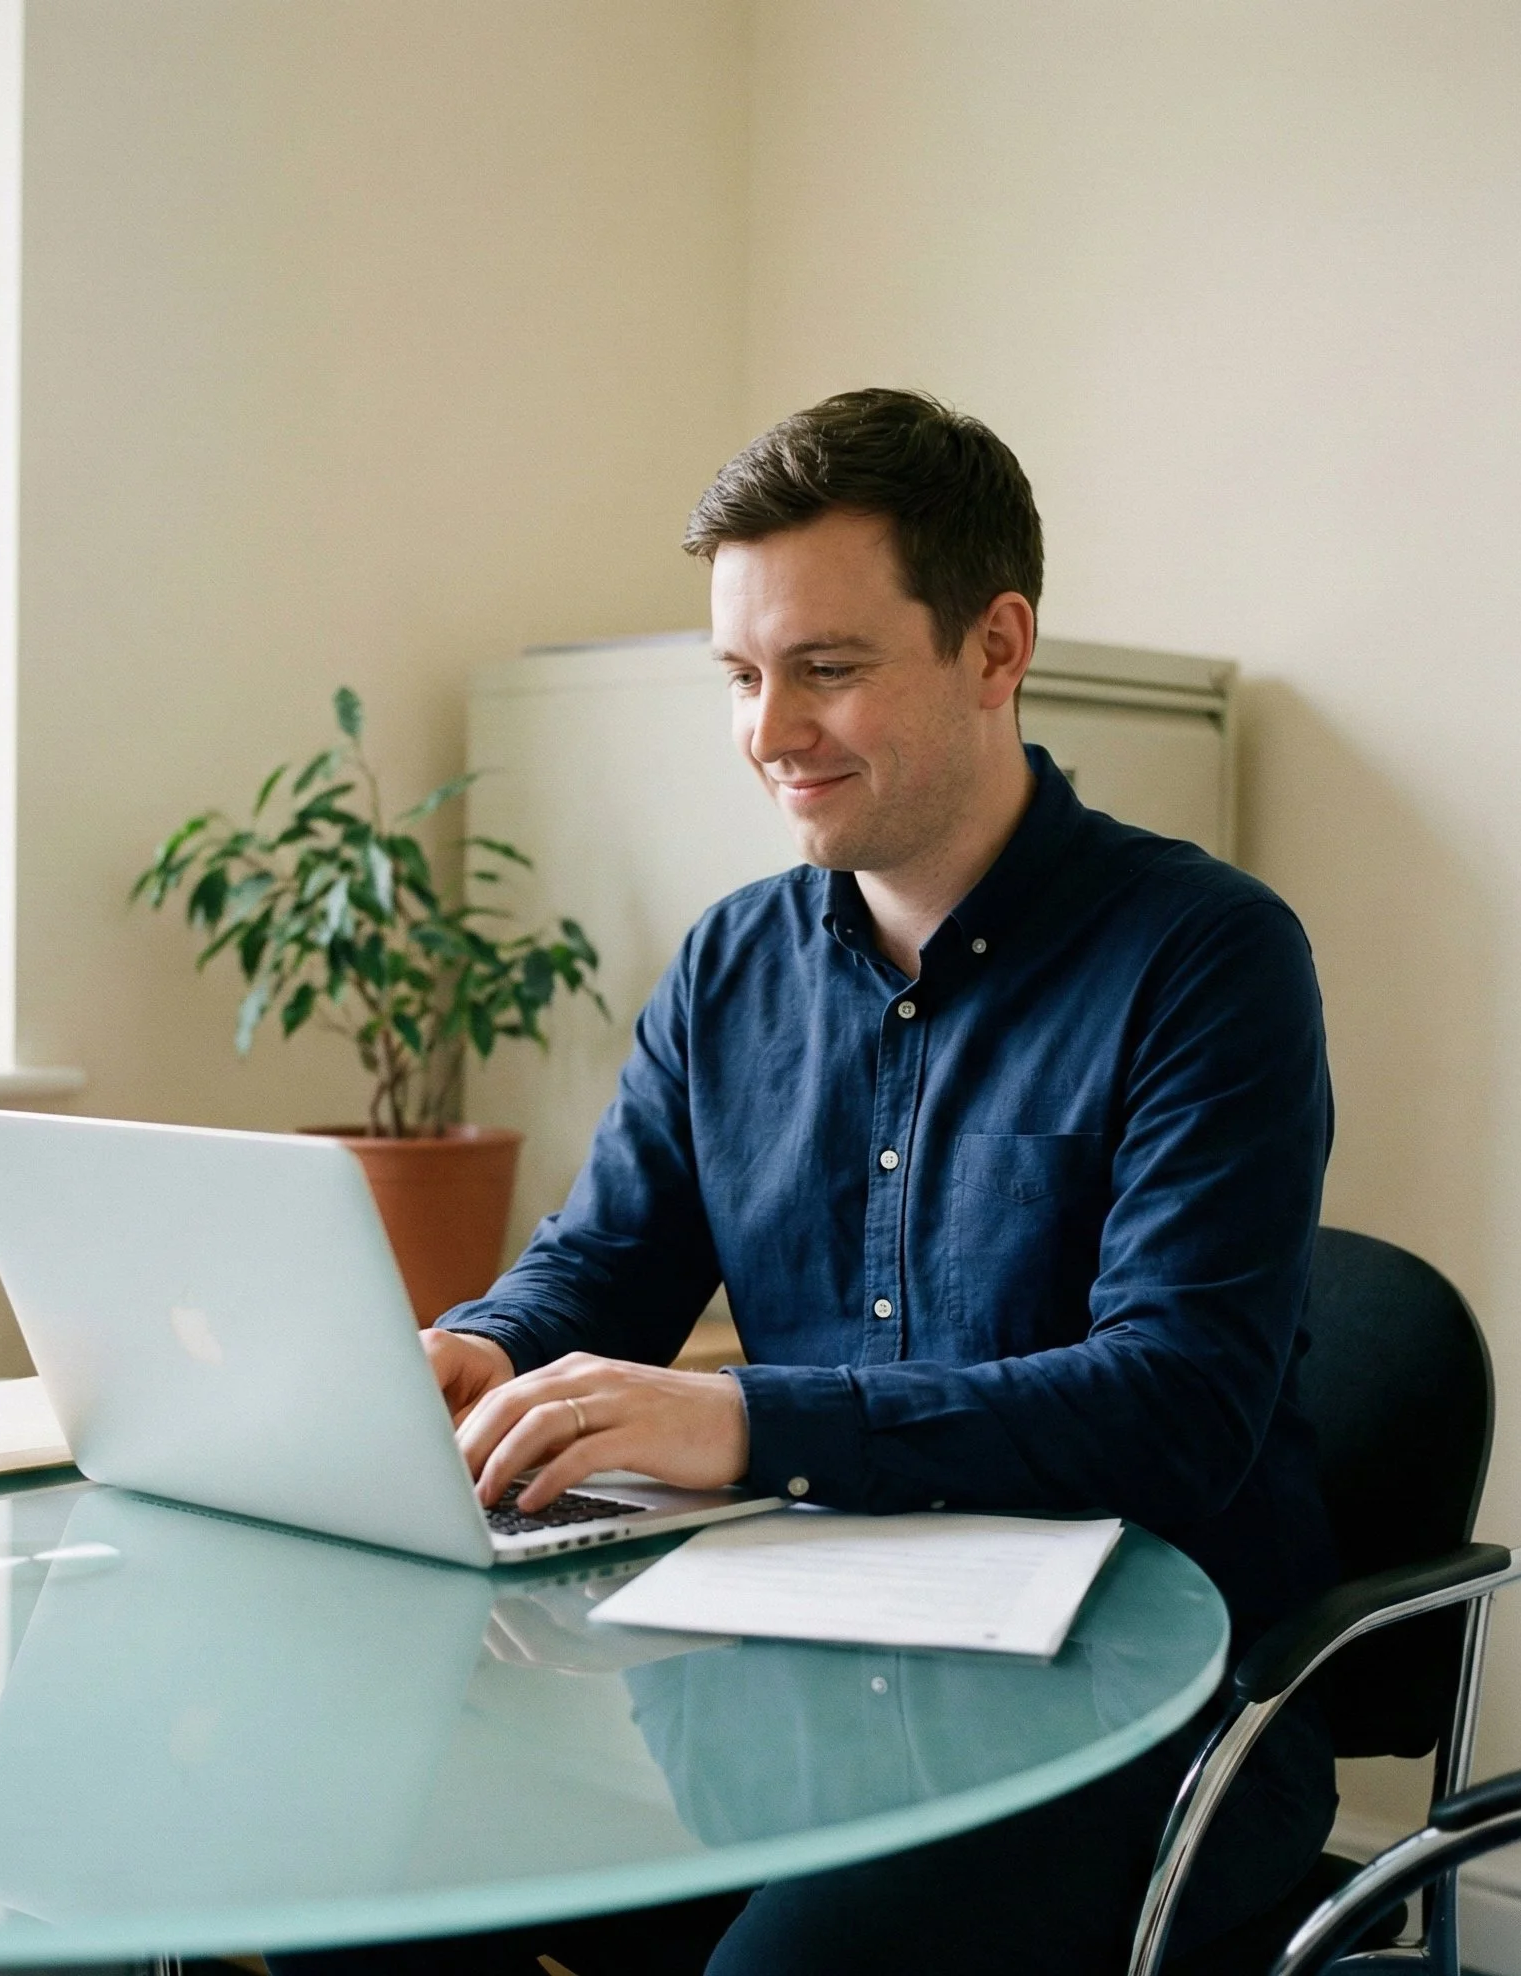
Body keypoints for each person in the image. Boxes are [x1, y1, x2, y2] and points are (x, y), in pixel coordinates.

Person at [285, 389, 1340, 1974]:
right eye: (743, 674)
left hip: (1127, 1705)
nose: (771, 732)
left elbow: (1177, 1403)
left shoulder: (1206, 957)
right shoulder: (732, 962)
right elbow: (603, 1266)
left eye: (827, 670)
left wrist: (744, 1418)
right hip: (784, 1668)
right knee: (355, 1870)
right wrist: (487, 1349)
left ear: (996, 649)